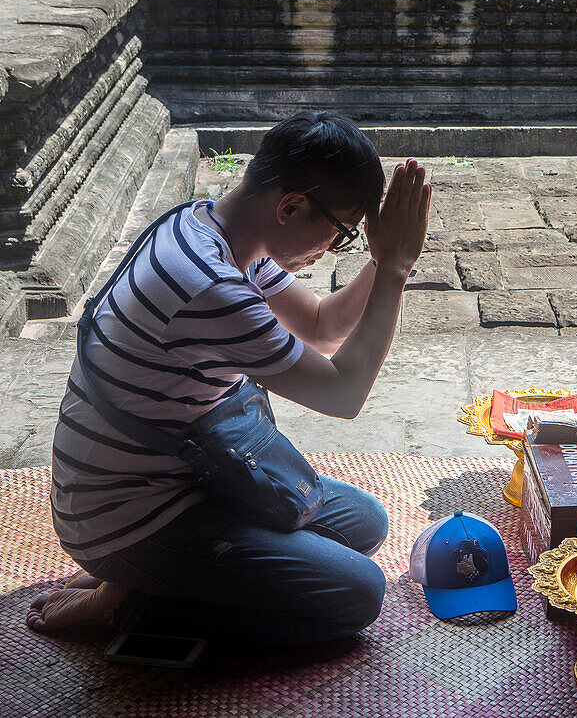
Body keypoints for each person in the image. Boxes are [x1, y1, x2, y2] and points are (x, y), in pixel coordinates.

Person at [26, 111, 431, 643]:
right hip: (125, 515)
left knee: (365, 524)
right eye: (340, 233)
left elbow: (320, 326)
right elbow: (343, 393)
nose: (334, 250)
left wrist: (382, 260)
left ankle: (151, 575)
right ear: (290, 207)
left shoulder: (210, 228)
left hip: (192, 474)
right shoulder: (210, 285)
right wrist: (396, 269)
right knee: (356, 595)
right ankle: (128, 600)